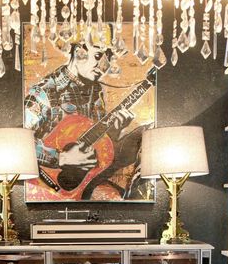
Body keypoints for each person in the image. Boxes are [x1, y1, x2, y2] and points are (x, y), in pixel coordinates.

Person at [24, 35, 151, 201]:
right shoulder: (45, 92)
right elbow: (19, 145)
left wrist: (113, 131)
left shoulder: (95, 91)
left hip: (82, 186)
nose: (103, 65)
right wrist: (61, 158)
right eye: (98, 55)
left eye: (109, 58)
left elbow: (91, 144)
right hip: (44, 189)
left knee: (147, 130)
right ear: (78, 51)